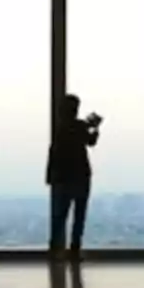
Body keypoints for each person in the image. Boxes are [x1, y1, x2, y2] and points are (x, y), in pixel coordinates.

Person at [46, 94, 101, 259]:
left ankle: (55, 249)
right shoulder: (80, 126)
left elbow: (53, 153)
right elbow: (91, 142)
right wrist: (95, 129)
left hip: (63, 176)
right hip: (81, 175)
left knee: (60, 215)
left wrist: (50, 175)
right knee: (79, 215)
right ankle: (75, 249)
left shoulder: (61, 128)